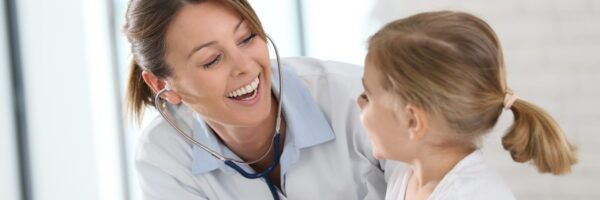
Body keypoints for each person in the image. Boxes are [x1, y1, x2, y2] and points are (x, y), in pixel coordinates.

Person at [123, 0, 389, 199]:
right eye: (212, 60)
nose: (245, 66)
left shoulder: (361, 100)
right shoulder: (165, 156)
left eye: (247, 38)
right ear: (162, 85)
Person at [356, 11, 578, 200]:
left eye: (368, 96)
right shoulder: (406, 176)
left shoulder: (473, 194)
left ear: (413, 121)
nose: (358, 102)